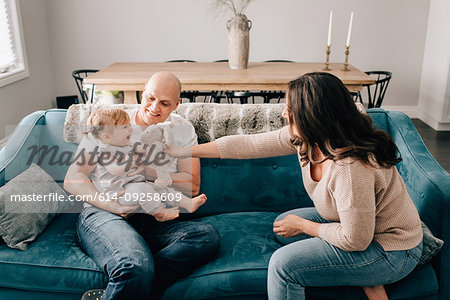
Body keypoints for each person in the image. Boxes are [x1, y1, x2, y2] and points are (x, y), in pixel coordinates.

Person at [166, 72, 423, 300]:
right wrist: (182, 151)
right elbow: (247, 145)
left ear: (313, 114)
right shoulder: (309, 139)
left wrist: (304, 226)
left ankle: (370, 275)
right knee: (283, 225)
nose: (283, 112)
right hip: (362, 229)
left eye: (290, 107)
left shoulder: (350, 168)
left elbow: (355, 239)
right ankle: (364, 278)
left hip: (390, 249)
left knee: (283, 265)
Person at [64, 71, 220, 300]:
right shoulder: (111, 123)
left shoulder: (182, 129)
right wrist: (114, 206)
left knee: (206, 237)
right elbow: (73, 178)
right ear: (142, 93)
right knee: (135, 265)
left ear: (177, 104)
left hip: (153, 216)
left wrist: (148, 172)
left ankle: (125, 285)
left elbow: (192, 187)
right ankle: (135, 272)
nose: (154, 107)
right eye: (150, 98)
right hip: (105, 212)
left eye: (164, 103)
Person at [84, 107, 207, 214]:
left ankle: (187, 203)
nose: (130, 129)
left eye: (129, 125)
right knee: (143, 190)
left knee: (160, 187)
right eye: (125, 127)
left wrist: (160, 145)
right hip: (117, 194)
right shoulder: (104, 152)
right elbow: (115, 170)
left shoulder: (127, 144)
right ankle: (159, 212)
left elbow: (146, 149)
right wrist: (127, 163)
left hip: (132, 184)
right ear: (107, 137)